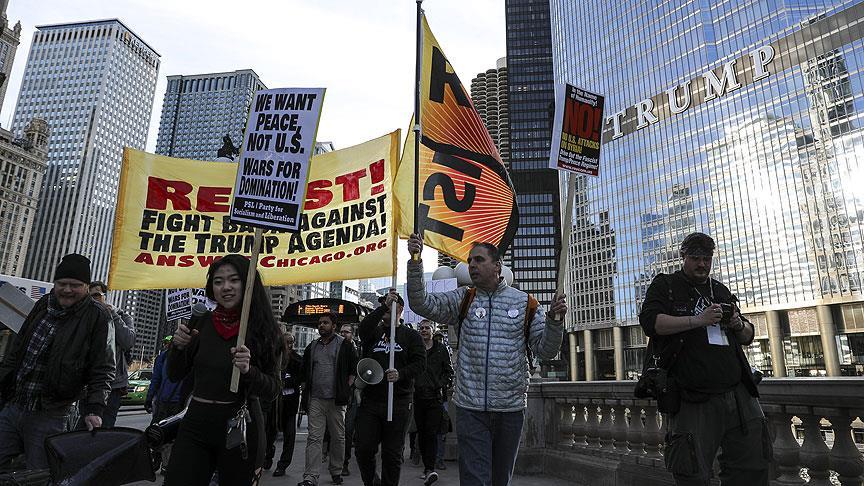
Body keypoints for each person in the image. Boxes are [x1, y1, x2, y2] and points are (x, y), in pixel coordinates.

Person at [406, 234, 566, 486]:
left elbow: (545, 351)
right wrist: (415, 261)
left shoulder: (526, 303)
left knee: (499, 480)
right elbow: (421, 303)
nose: (471, 265)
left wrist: (555, 322)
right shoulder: (463, 299)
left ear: (497, 266)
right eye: (470, 261)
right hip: (471, 410)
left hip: (510, 410)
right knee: (474, 480)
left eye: (479, 260)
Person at [638, 233, 769, 485]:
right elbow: (651, 323)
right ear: (683, 257)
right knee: (692, 473)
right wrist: (699, 320)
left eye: (706, 259)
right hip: (691, 398)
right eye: (695, 258)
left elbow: (748, 335)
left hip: (738, 394)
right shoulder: (666, 285)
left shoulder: (719, 289)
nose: (702, 264)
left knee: (753, 465)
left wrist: (736, 322)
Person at [163, 254, 281, 486]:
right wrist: (177, 349)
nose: (225, 287)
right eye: (218, 281)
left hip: (240, 426)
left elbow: (272, 390)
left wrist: (249, 371)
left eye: (234, 280)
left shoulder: (265, 331)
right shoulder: (201, 323)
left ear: (248, 285)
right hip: (196, 422)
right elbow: (174, 374)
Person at [0, 254, 114, 470]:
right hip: (14, 404)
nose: (67, 290)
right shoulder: (43, 304)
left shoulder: (97, 316)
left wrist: (95, 409)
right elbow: (18, 348)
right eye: (62, 284)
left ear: (86, 286)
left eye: (75, 285)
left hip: (51, 412)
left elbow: (103, 367)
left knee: (40, 474)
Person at [355, 290, 426, 486]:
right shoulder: (373, 333)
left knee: (392, 454)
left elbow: (420, 364)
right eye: (382, 304)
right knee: (363, 448)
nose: (385, 307)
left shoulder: (411, 336)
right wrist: (384, 307)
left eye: (389, 305)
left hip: (399, 402)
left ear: (400, 309)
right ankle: (371, 481)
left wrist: (400, 374)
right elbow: (363, 328)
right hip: (372, 401)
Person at [298, 312, 358, 486]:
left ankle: (336, 471)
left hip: (336, 401)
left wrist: (345, 389)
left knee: (338, 437)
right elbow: (304, 371)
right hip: (316, 399)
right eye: (320, 323)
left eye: (325, 322)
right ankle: (310, 477)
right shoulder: (312, 346)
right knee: (314, 438)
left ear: (334, 326)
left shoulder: (345, 345)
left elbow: (353, 371)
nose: (321, 325)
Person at [89, 281, 136, 428]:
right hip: (88, 385)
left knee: (105, 430)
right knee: (84, 430)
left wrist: (113, 315)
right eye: (89, 297)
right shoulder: (85, 318)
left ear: (105, 296)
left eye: (97, 295)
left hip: (113, 385)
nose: (93, 299)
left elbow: (128, 341)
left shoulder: (122, 316)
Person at [413, 320, 454, 485]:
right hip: (418, 397)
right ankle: (426, 466)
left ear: (433, 330)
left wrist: (440, 384)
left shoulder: (441, 349)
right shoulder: (415, 349)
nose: (424, 331)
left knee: (431, 433)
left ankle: (430, 468)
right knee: (422, 433)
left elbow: (449, 372)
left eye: (427, 328)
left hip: (435, 398)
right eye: (421, 328)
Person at [146, 335, 192, 474]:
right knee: (158, 432)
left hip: (176, 402)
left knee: (169, 433)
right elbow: (156, 379)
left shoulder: (186, 357)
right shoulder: (164, 357)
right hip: (164, 401)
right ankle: (159, 459)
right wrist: (149, 398)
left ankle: (165, 462)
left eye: (168, 343)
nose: (167, 345)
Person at [272, 333, 302, 477]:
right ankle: (267, 455)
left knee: (290, 436)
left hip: (290, 404)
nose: (290, 345)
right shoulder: (273, 358)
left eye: (292, 342)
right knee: (269, 432)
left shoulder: (297, 360)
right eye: (287, 342)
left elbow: (300, 379)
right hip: (274, 404)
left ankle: (283, 465)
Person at [338, 323, 359, 477]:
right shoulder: (336, 349)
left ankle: (344, 462)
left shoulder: (359, 350)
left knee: (348, 430)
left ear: (352, 334)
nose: (343, 334)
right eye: (341, 332)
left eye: (347, 332)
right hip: (339, 395)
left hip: (354, 397)